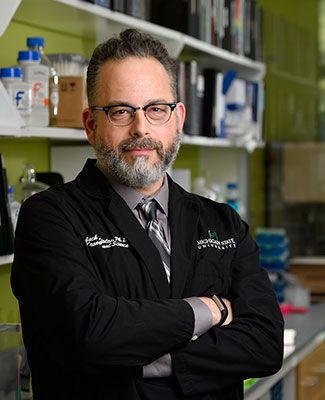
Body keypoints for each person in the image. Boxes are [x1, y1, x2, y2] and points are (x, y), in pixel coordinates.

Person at [11, 29, 284, 400]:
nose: (141, 128)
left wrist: (151, 358)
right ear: (91, 125)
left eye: (156, 109)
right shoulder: (49, 216)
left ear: (178, 119)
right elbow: (89, 333)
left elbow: (265, 343)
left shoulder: (223, 223)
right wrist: (210, 309)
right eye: (121, 111)